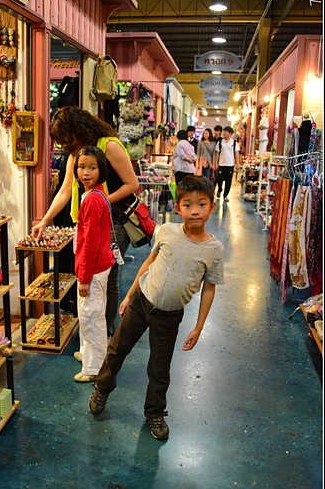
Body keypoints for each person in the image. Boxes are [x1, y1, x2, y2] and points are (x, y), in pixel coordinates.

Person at [88, 175, 224, 440]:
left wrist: (199, 327)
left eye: (201, 204)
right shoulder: (167, 230)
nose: (195, 211)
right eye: (187, 205)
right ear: (178, 207)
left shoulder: (214, 249)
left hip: (169, 315)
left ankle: (155, 412)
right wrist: (129, 295)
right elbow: (148, 263)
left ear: (212, 206)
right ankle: (102, 388)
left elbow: (209, 288)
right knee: (116, 349)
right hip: (141, 301)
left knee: (160, 368)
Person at [31, 106, 139, 336]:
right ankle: (91, 329)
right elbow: (65, 191)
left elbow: (132, 184)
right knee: (88, 274)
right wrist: (45, 221)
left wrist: (100, 201)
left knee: (109, 276)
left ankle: (105, 332)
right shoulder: (76, 152)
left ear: (79, 129)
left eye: (68, 138)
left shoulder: (109, 146)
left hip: (114, 221)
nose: (67, 144)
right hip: (85, 222)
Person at [73, 147, 115, 382]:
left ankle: (94, 367)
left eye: (92, 167)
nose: (86, 172)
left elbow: (90, 243)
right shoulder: (96, 193)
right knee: (90, 313)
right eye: (82, 167)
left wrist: (84, 277)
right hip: (98, 265)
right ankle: (88, 354)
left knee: (91, 316)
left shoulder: (93, 199)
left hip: (94, 268)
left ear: (101, 170)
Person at [215, 126, 240, 202]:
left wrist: (237, 163)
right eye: (224, 131)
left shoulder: (234, 143)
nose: (224, 133)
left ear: (230, 133)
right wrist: (216, 163)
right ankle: (220, 189)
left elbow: (236, 153)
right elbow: (217, 153)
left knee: (228, 181)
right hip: (221, 164)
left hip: (230, 165)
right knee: (220, 180)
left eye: (226, 131)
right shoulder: (220, 142)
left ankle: (225, 195)